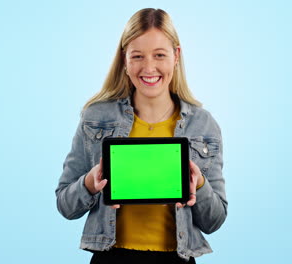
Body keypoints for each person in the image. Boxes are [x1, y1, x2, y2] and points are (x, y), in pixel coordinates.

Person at [55, 8, 227, 264]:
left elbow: (214, 221)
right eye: (137, 56)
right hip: (111, 257)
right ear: (124, 59)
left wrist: (199, 184)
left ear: (176, 56)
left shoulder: (203, 125)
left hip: (176, 258)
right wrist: (90, 183)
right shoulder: (95, 118)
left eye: (159, 55)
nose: (149, 67)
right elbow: (65, 205)